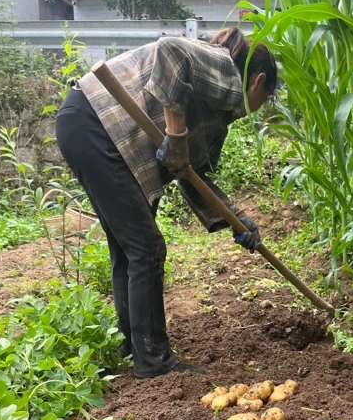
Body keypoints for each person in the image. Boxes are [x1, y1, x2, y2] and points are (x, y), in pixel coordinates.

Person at [56, 28, 278, 378]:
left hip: (82, 123)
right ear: (258, 81)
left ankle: (134, 347)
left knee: (130, 250)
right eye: (265, 98)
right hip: (98, 124)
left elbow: (191, 173)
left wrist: (239, 220)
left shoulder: (214, 112)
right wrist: (176, 135)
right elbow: (171, 51)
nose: (257, 108)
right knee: (147, 248)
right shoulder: (227, 72)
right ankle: (155, 361)